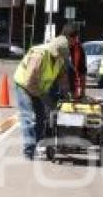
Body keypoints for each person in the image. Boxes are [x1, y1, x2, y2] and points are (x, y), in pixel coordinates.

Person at [13, 31, 70, 160]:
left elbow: (62, 77)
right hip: (24, 86)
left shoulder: (60, 58)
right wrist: (44, 97)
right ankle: (28, 151)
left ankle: (35, 145)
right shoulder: (39, 56)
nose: (60, 57)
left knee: (41, 117)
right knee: (29, 117)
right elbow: (29, 81)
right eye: (59, 55)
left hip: (38, 88)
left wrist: (67, 94)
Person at [66, 26, 87, 99]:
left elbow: (82, 70)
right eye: (74, 38)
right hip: (65, 84)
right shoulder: (63, 47)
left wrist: (83, 91)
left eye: (76, 38)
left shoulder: (79, 48)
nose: (75, 40)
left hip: (73, 84)